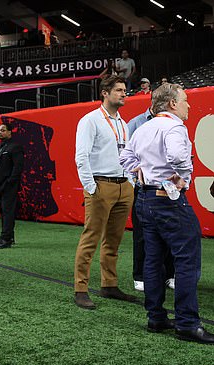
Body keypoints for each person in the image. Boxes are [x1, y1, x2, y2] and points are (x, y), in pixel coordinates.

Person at [120, 83, 214, 343]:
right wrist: (183, 176)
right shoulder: (174, 126)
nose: (188, 105)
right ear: (172, 104)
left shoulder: (144, 126)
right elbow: (177, 156)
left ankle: (156, 318)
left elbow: (124, 157)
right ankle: (187, 323)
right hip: (169, 201)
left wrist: (139, 170)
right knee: (187, 260)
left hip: (145, 199)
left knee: (153, 259)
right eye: (184, 100)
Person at [73, 75, 136, 310]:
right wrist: (91, 187)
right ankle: (81, 288)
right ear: (105, 93)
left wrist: (129, 181)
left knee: (114, 241)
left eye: (124, 90)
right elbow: (81, 157)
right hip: (101, 185)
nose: (123, 93)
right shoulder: (90, 120)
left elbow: (127, 154)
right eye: (118, 90)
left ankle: (109, 285)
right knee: (91, 238)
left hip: (123, 186)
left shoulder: (122, 123)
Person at [127, 106, 175, 292]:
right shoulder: (136, 123)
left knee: (170, 232)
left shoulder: (173, 123)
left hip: (168, 188)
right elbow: (125, 154)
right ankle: (140, 275)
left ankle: (170, 275)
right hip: (143, 188)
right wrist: (134, 181)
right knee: (141, 234)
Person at [0, 122, 24, 249]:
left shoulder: (15, 147)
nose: (0, 132)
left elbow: (18, 167)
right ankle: (8, 236)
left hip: (8, 186)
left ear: (10, 132)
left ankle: (6, 238)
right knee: (3, 212)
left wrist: (10, 182)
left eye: (3, 130)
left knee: (7, 211)